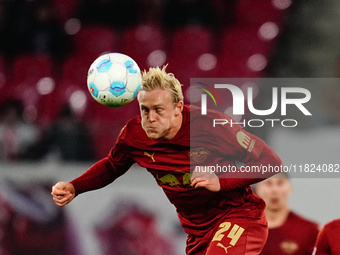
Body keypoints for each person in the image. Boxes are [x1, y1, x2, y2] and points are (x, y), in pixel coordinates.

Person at [51, 66, 282, 254]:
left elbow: (270, 161)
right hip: (198, 233)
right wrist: (75, 186)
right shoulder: (133, 135)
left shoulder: (213, 126)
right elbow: (112, 166)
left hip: (239, 217)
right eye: (144, 110)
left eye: (159, 110)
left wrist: (221, 181)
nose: (150, 118)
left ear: (178, 108)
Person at [255, 172, 319, 255]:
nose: (274, 190)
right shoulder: (243, 229)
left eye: (280, 183)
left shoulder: (310, 230)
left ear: (289, 188)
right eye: (268, 183)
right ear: (257, 189)